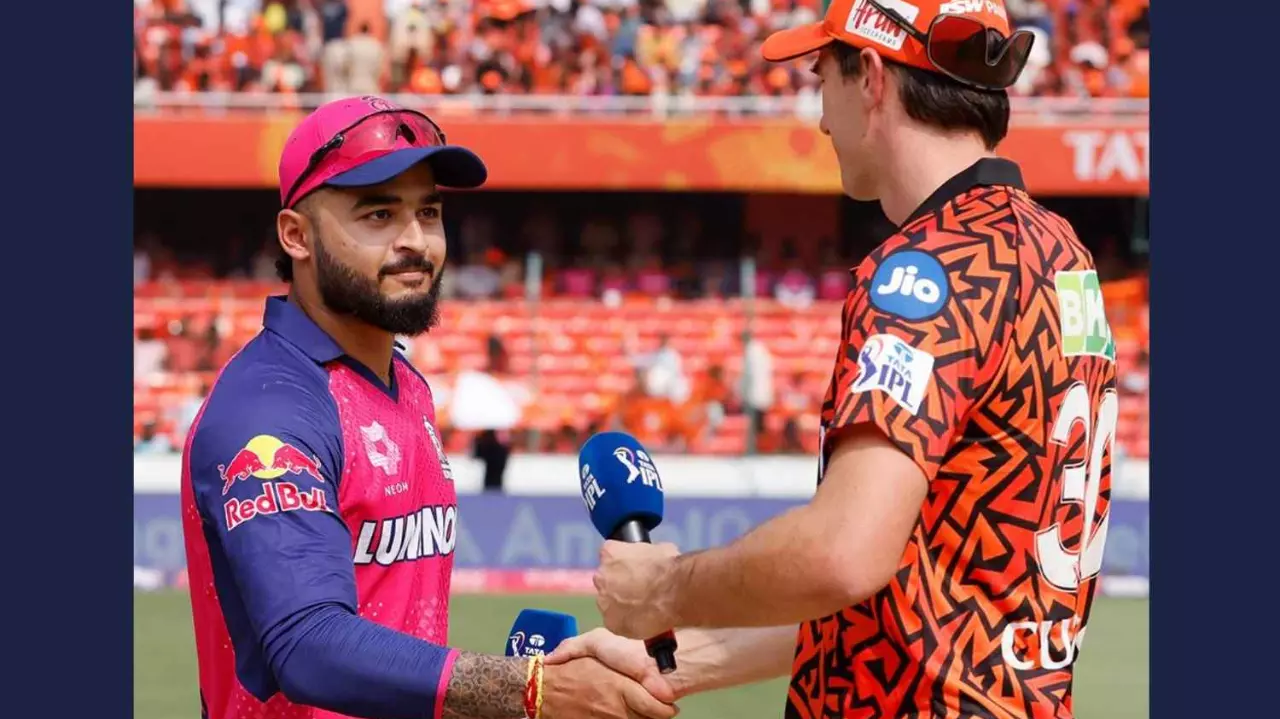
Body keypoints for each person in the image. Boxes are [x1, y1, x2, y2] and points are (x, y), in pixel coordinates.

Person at [553, 2, 1116, 718]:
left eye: (821, 74)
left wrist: (664, 589)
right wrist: (668, 660)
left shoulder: (933, 266)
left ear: (872, 77)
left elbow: (842, 554)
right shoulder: (1063, 254)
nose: (820, 118)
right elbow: (904, 594)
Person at [179, 96, 676, 719]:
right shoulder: (270, 411)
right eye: (379, 213)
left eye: (429, 211)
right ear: (296, 236)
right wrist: (530, 691)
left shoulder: (405, 384)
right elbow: (306, 645)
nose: (416, 241)